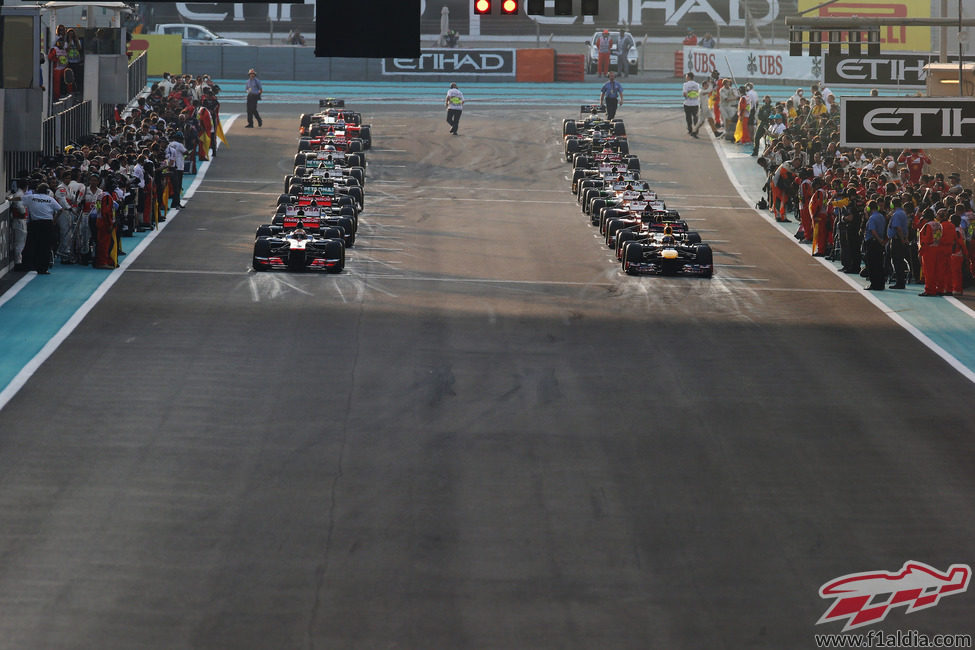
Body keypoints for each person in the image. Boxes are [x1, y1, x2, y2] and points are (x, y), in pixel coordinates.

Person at [22, 183, 60, 274]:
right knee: (45, 246)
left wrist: (9, 199)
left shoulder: (31, 197)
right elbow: (60, 209)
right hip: (47, 223)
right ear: (47, 191)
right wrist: (54, 220)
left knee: (32, 244)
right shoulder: (50, 199)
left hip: (35, 223)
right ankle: (43, 268)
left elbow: (19, 199)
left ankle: (29, 265)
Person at [917, 209, 942, 296]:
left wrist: (920, 252)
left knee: (928, 271)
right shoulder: (938, 224)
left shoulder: (927, 226)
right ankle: (937, 288)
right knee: (936, 270)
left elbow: (926, 240)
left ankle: (929, 290)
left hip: (929, 250)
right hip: (937, 248)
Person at [863, 199, 887, 290]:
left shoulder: (872, 218)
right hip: (879, 243)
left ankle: (874, 284)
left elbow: (873, 230)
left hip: (873, 242)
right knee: (879, 264)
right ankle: (881, 284)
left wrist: (879, 239)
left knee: (872, 265)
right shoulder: (881, 216)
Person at [886, 197, 909, 289]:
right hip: (900, 239)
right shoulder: (903, 213)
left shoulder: (896, 214)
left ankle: (900, 282)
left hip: (897, 240)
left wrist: (902, 239)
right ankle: (900, 281)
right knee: (899, 261)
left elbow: (898, 228)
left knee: (897, 262)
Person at [165, 133, 187, 208]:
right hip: (179, 167)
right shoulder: (180, 145)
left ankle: (175, 203)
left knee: (174, 186)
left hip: (171, 166)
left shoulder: (169, 144)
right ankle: (176, 203)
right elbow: (186, 152)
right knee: (178, 186)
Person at [681, 72, 700, 137]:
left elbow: (684, 94)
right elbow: (698, 93)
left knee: (688, 117)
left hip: (687, 103)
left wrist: (688, 95)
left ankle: (690, 130)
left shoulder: (685, 84)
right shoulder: (697, 84)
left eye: (686, 76)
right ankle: (696, 130)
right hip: (695, 103)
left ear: (688, 77)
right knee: (695, 117)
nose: (686, 78)